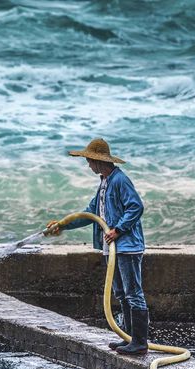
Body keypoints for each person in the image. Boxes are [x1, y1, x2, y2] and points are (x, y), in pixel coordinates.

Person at [45, 138, 148, 355]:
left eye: (89, 161)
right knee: (121, 294)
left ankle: (139, 342)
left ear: (98, 161)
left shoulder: (120, 181)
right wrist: (62, 225)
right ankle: (129, 338)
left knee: (133, 294)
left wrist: (118, 230)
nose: (88, 165)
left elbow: (136, 207)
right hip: (112, 249)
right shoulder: (104, 183)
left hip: (127, 247)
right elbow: (90, 214)